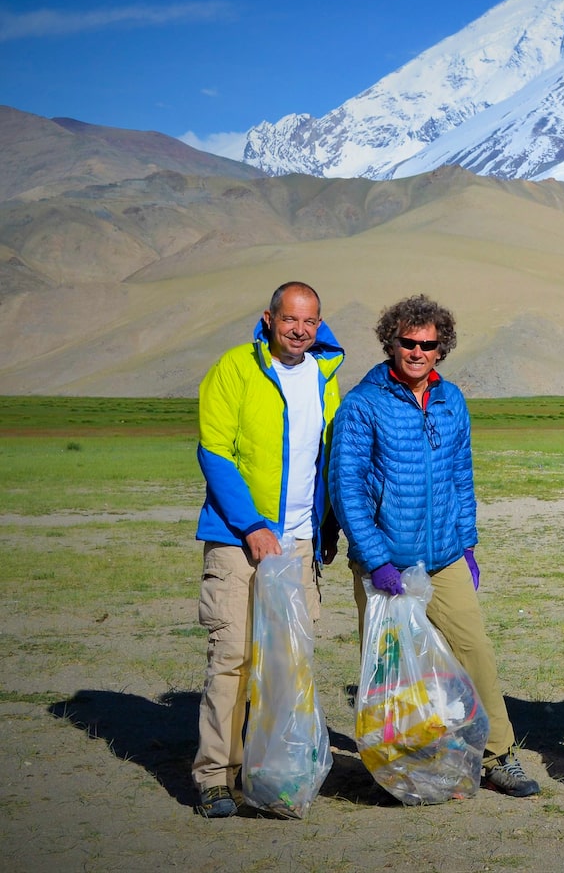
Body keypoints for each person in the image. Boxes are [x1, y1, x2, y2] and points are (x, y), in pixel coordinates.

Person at [329, 294, 539, 798]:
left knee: (474, 652)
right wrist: (376, 558)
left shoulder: (451, 401)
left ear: (441, 347)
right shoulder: (364, 404)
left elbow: (460, 478)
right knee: (391, 670)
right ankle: (399, 766)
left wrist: (467, 543)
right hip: (385, 564)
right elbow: (346, 486)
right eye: (408, 342)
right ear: (391, 342)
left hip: (444, 558)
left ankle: (497, 756)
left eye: (428, 344)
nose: (418, 352)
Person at [191, 281, 344, 818]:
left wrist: (327, 529)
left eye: (309, 321)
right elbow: (215, 450)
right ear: (269, 318)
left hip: (299, 544)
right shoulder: (235, 368)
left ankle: (274, 769)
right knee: (232, 656)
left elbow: (326, 462)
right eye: (289, 320)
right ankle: (217, 774)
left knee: (290, 660)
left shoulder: (326, 378)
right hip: (240, 540)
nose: (299, 330)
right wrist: (252, 524)